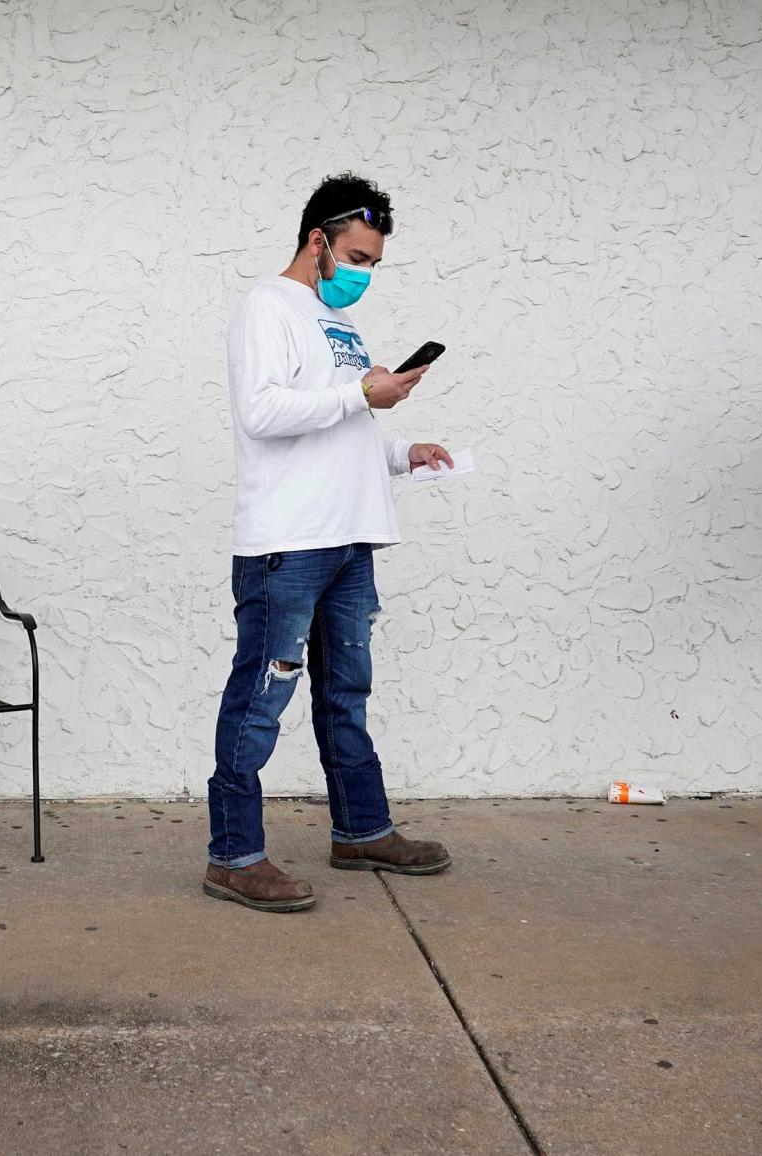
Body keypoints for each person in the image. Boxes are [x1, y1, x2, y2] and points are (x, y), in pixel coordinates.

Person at [203, 173, 454, 913]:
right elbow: (262, 412)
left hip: (350, 539)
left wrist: (403, 449)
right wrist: (359, 395)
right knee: (261, 697)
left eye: (373, 262)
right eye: (355, 256)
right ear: (317, 240)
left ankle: (361, 830)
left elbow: (343, 425)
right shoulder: (266, 307)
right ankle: (233, 856)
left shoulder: (333, 323)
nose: (362, 273)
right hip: (290, 542)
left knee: (346, 692)